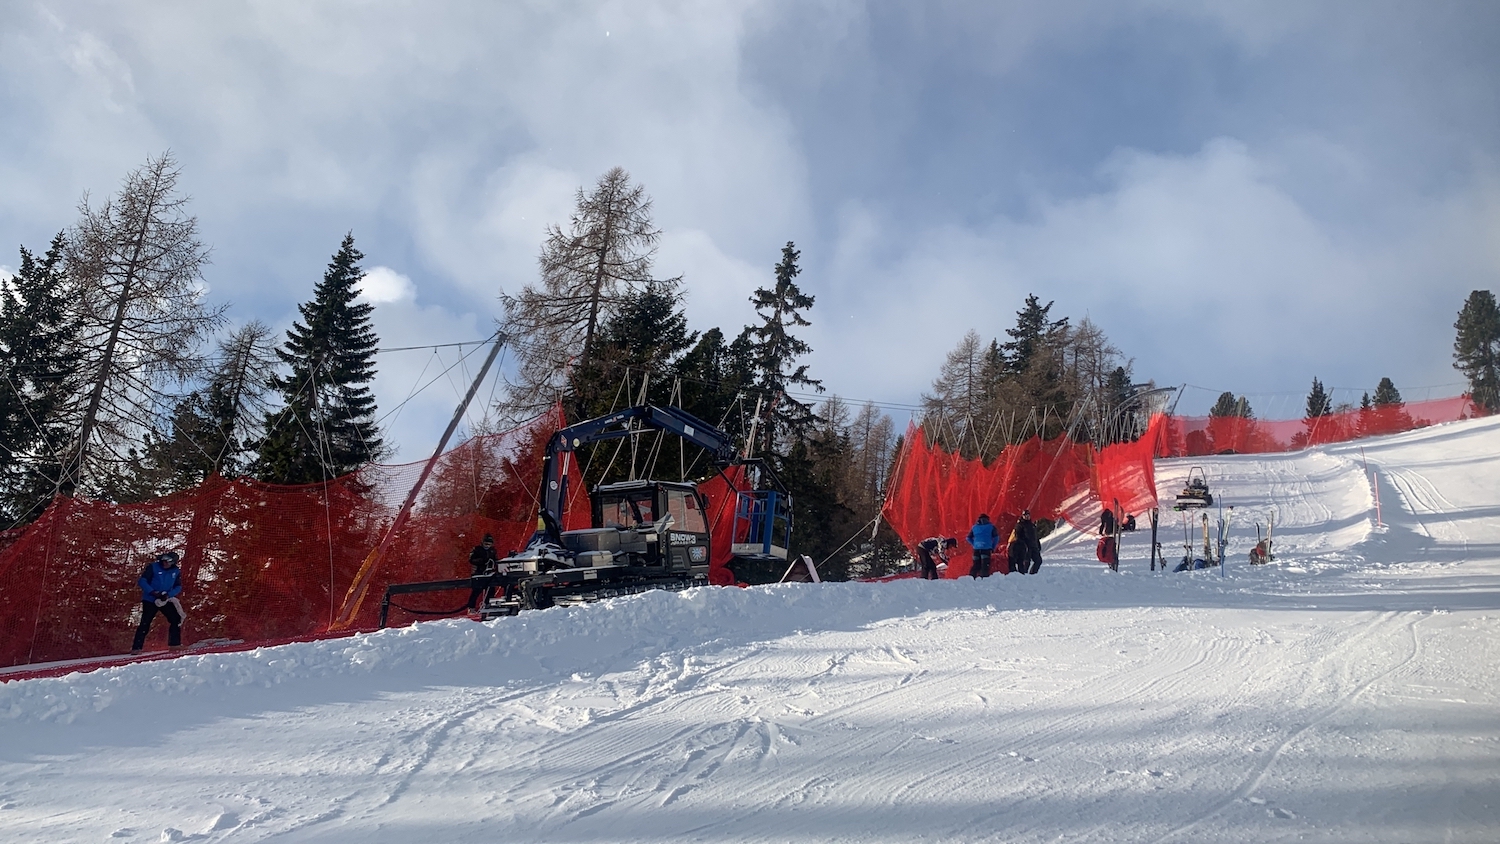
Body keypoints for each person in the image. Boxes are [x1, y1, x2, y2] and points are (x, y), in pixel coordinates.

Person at [130, 550, 184, 654]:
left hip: (165, 599)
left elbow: (178, 586)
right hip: (150, 599)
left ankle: (174, 644)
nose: (165, 562)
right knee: (145, 622)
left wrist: (169, 594)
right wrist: (153, 592)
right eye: (164, 559)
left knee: (175, 619)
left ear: (173, 562)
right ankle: (136, 648)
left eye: (168, 561)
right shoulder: (153, 567)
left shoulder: (176, 571)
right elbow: (142, 581)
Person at [466, 533, 499, 611]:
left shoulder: (492, 551)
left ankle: (488, 605)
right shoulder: (477, 549)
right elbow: (471, 560)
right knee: (476, 592)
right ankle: (471, 608)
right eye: (486, 544)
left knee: (490, 590)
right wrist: (481, 561)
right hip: (478, 574)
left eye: (489, 544)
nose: (487, 546)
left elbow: (495, 560)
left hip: (489, 574)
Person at [1014, 510, 1043, 575]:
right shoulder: (1020, 525)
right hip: (1026, 547)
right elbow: (1017, 536)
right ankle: (1024, 576)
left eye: (1028, 515)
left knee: (1038, 561)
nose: (1027, 517)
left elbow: (1035, 536)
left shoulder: (1032, 525)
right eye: (1025, 515)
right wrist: (1023, 545)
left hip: (1034, 546)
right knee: (1026, 562)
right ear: (1022, 516)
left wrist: (1038, 544)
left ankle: (1032, 574)